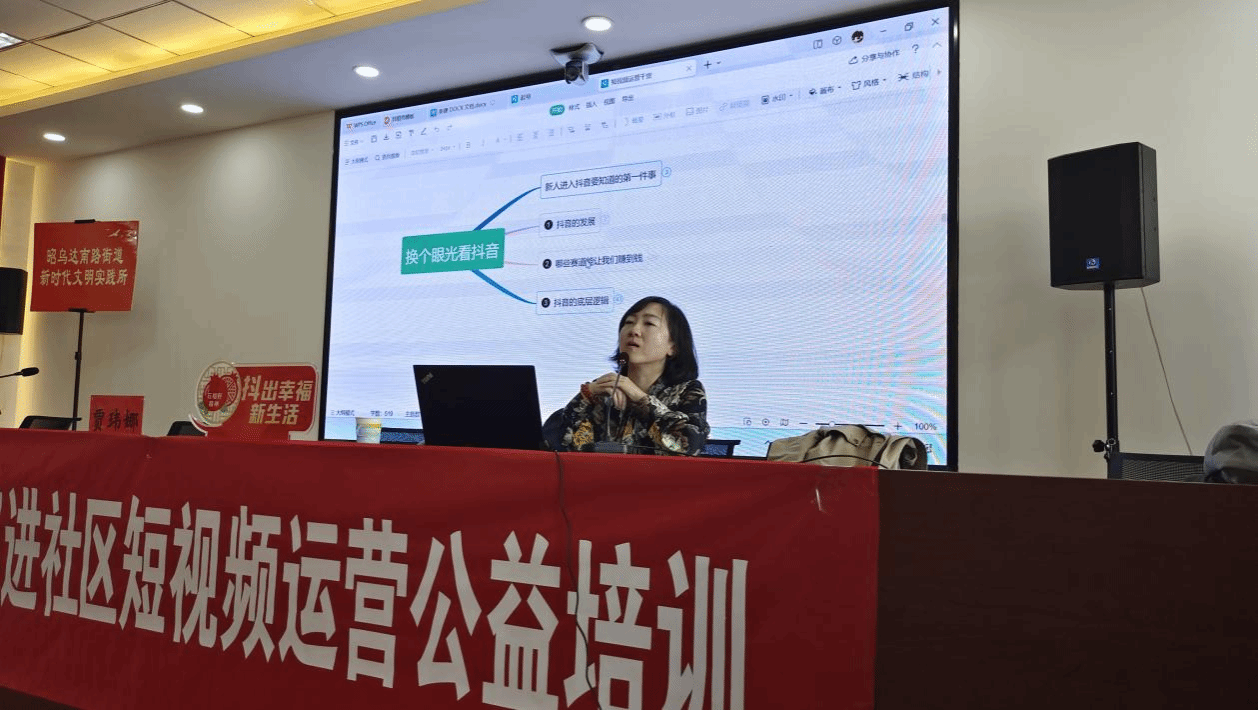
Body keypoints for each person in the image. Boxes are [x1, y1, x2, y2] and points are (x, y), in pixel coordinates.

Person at [558, 296, 709, 455]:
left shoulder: (687, 392)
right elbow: (557, 446)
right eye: (629, 322)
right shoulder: (604, 390)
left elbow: (687, 447)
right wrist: (585, 396)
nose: (634, 330)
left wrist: (639, 398)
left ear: (673, 347)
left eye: (649, 323)